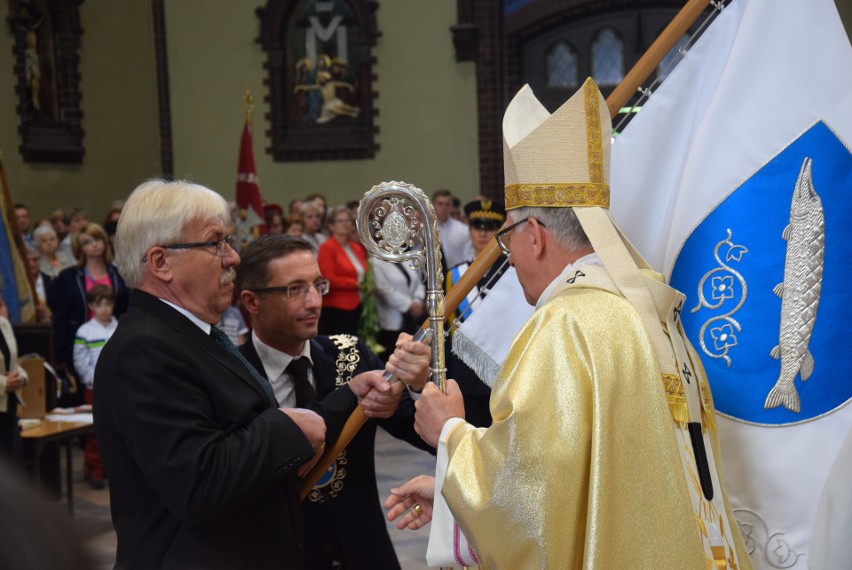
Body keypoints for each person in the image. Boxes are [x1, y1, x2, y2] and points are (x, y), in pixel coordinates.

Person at [388, 80, 752, 568]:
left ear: (534, 236)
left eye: (508, 237)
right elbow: (606, 485)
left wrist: (449, 431)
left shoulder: (565, 326)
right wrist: (451, 497)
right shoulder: (649, 311)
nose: (509, 258)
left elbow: (528, 507)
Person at [94, 178, 399, 568]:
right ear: (160, 262)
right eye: (215, 243)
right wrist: (291, 430)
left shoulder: (189, 336)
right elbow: (199, 482)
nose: (233, 258)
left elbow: (246, 429)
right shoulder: (145, 351)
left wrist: (348, 396)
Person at [236, 234, 433, 569]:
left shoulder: (352, 354)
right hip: (280, 554)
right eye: (294, 289)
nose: (313, 301)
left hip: (362, 550)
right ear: (251, 301)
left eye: (317, 285)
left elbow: (421, 432)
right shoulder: (231, 374)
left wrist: (417, 384)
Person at [443, 198, 509, 428]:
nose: (483, 234)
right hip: (467, 375)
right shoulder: (456, 275)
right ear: (469, 231)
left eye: (490, 228)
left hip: (504, 372)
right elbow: (448, 331)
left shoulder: (514, 272)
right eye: (477, 227)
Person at [53, 223, 128, 404]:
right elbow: (61, 316)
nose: (94, 244)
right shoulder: (69, 276)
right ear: (80, 249)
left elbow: (125, 309)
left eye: (97, 239)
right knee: (88, 399)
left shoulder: (117, 274)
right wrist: (60, 353)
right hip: (81, 343)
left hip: (113, 337)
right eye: (87, 242)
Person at [316, 206, 367, 336]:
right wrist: (354, 284)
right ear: (331, 226)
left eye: (348, 220)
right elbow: (328, 278)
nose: (345, 224)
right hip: (337, 307)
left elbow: (364, 272)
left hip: (358, 303)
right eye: (340, 221)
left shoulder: (356, 247)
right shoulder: (327, 247)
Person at [370, 257, 425, 359]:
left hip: (412, 319)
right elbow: (383, 290)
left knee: (412, 356)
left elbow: (418, 283)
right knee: (394, 358)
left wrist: (417, 301)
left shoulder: (405, 257)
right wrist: (409, 305)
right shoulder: (375, 262)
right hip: (391, 320)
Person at [0, 297, 28, 464]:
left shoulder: (4, 326)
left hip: (8, 408)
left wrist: (22, 378)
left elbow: (13, 363)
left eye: (2, 305)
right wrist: (4, 383)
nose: (3, 311)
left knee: (13, 466)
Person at [432, 189, 471, 269]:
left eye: (447, 204)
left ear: (451, 206)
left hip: (458, 275)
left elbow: (468, 257)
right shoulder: (427, 230)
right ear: (433, 205)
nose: (444, 208)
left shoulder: (463, 230)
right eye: (440, 204)